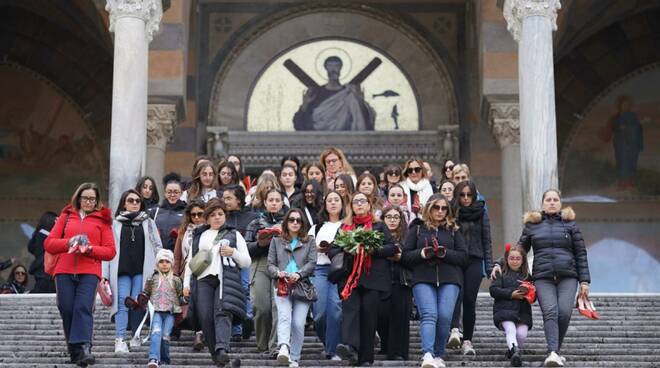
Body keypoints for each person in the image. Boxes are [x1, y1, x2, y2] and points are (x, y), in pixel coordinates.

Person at [491, 189, 591, 367]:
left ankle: (555, 350)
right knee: (550, 312)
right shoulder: (533, 225)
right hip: (542, 277)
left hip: (568, 276)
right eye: (548, 200)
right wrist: (499, 263)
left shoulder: (570, 225)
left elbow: (581, 253)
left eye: (555, 200)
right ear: (543, 204)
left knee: (565, 313)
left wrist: (584, 281)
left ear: (560, 203)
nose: (552, 202)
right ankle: (552, 352)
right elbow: (519, 249)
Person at [45, 182, 116, 366]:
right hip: (64, 269)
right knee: (66, 307)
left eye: (92, 198)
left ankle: (85, 347)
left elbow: (110, 251)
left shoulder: (103, 221)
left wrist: (90, 248)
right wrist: (69, 242)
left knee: (83, 307)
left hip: (89, 271)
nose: (88, 202)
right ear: (78, 198)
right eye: (85, 198)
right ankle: (74, 350)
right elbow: (49, 243)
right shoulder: (66, 217)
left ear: (97, 200)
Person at [331, 192, 397, 366]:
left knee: (369, 316)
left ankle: (366, 358)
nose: (359, 204)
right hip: (350, 278)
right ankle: (351, 348)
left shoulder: (379, 226)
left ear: (369, 205)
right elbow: (332, 250)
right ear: (351, 206)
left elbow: (392, 248)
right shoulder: (344, 227)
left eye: (363, 201)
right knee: (350, 312)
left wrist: (372, 250)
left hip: (372, 278)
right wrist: (347, 249)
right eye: (356, 202)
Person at [401, 195, 467, 368]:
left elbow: (464, 257)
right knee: (429, 315)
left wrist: (445, 253)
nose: (440, 211)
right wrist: (422, 253)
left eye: (444, 208)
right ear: (429, 208)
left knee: (445, 317)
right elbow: (405, 256)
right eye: (436, 207)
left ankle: (439, 354)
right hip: (423, 278)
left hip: (450, 279)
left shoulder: (454, 229)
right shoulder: (417, 228)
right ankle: (427, 353)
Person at [187, 198, 251, 366]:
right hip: (202, 280)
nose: (217, 217)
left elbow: (246, 261)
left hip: (225, 279)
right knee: (206, 317)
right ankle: (218, 358)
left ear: (225, 216)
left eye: (220, 214)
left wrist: (233, 252)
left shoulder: (234, 234)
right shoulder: (199, 235)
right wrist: (186, 283)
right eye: (213, 214)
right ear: (207, 217)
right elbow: (191, 261)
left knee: (222, 312)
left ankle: (222, 348)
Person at [104, 189, 163, 353]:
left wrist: (161, 267)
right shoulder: (114, 223)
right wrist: (104, 275)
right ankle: (120, 339)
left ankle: (136, 335)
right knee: (122, 303)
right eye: (131, 200)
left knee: (139, 303)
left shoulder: (149, 222)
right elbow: (107, 250)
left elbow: (158, 246)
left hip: (142, 270)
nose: (135, 203)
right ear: (124, 203)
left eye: (138, 201)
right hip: (120, 270)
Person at [268, 208, 317, 368]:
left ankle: (294, 357)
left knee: (297, 322)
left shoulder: (309, 240)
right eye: (292, 220)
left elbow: (312, 262)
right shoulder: (276, 240)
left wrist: (300, 273)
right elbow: (270, 264)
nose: (295, 223)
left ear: (303, 223)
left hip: (302, 286)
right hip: (282, 285)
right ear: (286, 222)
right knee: (284, 316)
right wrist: (277, 273)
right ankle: (283, 347)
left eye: (298, 220)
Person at [448, 181, 493, 356]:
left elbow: (486, 240)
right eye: (462, 195)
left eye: (469, 195)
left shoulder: (481, 212)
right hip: (455, 260)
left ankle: (468, 340)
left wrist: (489, 267)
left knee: (469, 300)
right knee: (456, 295)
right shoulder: (451, 212)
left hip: (475, 259)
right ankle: (453, 330)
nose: (466, 198)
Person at [245, 189, 286, 355]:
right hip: (260, 262)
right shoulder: (255, 223)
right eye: (271, 200)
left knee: (279, 306)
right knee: (260, 306)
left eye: (277, 200)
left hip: (282, 264)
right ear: (265, 202)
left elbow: (300, 243)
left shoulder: (291, 221)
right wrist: (261, 243)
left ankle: (275, 346)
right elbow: (246, 248)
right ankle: (262, 344)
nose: (274, 203)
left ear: (282, 203)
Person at [293, 56, 375, 131]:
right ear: (326, 68)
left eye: (336, 66)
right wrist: (305, 105)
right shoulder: (317, 93)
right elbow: (300, 125)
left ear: (341, 68)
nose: (333, 69)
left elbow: (365, 121)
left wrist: (360, 102)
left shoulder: (349, 93)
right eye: (330, 66)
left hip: (346, 140)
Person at [309, 191, 345, 360]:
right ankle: (329, 344)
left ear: (342, 203)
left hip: (340, 270)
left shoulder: (347, 225)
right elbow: (304, 249)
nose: (333, 203)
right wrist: (315, 249)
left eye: (336, 200)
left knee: (336, 310)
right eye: (329, 200)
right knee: (319, 314)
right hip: (320, 269)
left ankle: (333, 350)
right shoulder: (316, 227)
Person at [222, 185, 259, 342]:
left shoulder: (251, 217)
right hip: (226, 262)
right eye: (224, 198)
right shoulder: (221, 216)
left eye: (229, 198)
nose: (225, 201)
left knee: (245, 288)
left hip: (245, 259)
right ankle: (236, 329)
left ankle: (247, 319)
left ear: (239, 199)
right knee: (231, 294)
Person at [377, 205, 412, 360]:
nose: (392, 220)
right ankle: (385, 346)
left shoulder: (408, 236)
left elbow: (411, 256)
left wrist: (399, 256)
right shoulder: (377, 235)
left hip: (402, 281)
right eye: (388, 217)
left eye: (395, 217)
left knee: (400, 317)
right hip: (381, 281)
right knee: (382, 315)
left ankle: (398, 352)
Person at [489, 244, 533, 367]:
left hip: (522, 312)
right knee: (511, 330)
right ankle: (515, 352)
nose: (514, 261)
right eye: (511, 258)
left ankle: (512, 352)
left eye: (517, 259)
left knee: (522, 334)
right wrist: (511, 294)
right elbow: (493, 290)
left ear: (523, 260)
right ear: (506, 259)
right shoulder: (500, 273)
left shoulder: (527, 276)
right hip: (504, 310)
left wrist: (530, 293)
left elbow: (533, 296)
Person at [174, 199, 207, 350]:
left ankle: (199, 334)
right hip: (185, 271)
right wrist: (175, 275)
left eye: (200, 214)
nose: (196, 218)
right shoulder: (184, 231)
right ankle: (179, 328)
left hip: (204, 271)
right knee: (186, 303)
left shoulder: (209, 231)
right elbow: (177, 256)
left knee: (200, 304)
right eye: (193, 215)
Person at [144, 249, 185, 368]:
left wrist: (186, 298)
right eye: (161, 261)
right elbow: (146, 293)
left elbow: (180, 298)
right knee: (156, 332)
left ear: (171, 263)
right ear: (157, 264)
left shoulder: (176, 280)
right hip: (156, 311)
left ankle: (165, 359)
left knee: (165, 335)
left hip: (170, 313)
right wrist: (141, 299)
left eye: (167, 261)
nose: (164, 264)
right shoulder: (152, 278)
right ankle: (153, 358)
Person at [152, 173, 186, 251]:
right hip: (158, 255)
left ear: (181, 193)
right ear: (165, 193)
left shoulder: (186, 212)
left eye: (176, 192)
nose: (172, 195)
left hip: (177, 255)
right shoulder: (155, 211)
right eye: (169, 192)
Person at [27, 211, 58, 293]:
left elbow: (30, 248)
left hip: (42, 272)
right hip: (45, 272)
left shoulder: (38, 234)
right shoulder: (44, 235)